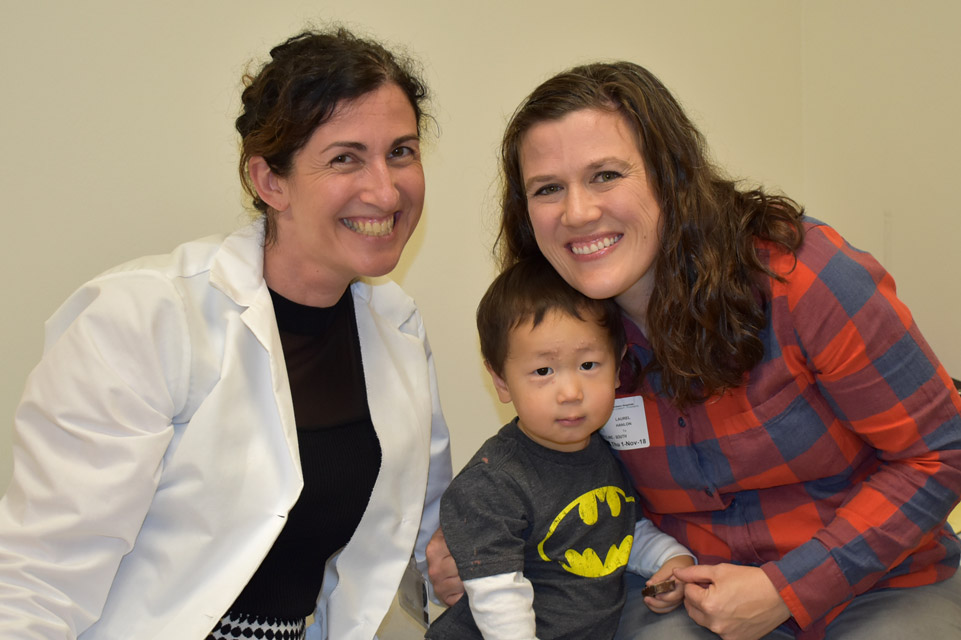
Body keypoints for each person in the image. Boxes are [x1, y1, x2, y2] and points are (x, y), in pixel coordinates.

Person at [427, 61, 961, 640]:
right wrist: (477, 544)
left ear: (671, 176)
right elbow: (542, 475)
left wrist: (788, 588)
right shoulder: (560, 338)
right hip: (685, 593)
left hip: (878, 580)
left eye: (606, 174)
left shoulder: (803, 278)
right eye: (548, 188)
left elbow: (939, 454)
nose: (577, 213)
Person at [0, 27, 452, 640]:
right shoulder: (144, 318)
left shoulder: (395, 324)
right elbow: (38, 580)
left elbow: (425, 537)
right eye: (345, 157)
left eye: (401, 151)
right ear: (270, 182)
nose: (385, 188)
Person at [425, 256, 694, 640]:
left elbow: (622, 536)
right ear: (501, 381)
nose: (570, 393)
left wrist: (672, 560)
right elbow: (499, 597)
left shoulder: (605, 453)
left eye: (588, 365)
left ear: (618, 368)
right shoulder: (493, 481)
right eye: (543, 371)